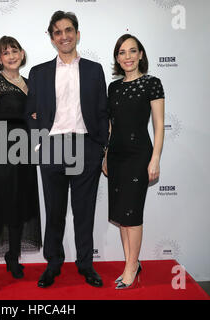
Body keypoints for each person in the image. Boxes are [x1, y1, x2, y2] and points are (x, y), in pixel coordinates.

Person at [25, 11, 109, 288]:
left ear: (78, 34)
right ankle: (53, 264)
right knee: (55, 211)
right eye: (58, 32)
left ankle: (86, 265)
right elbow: (31, 114)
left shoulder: (94, 70)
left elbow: (101, 111)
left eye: (69, 30)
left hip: (86, 146)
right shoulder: (38, 73)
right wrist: (39, 144)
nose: (64, 36)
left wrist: (100, 148)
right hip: (52, 147)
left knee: (84, 212)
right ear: (52, 38)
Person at [0, 36, 42, 290]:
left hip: (26, 155)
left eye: (14, 51)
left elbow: (36, 119)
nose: (11, 56)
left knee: (20, 206)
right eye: (5, 53)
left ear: (22, 54)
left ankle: (13, 258)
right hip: (2, 153)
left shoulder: (30, 84)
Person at [102, 34, 165, 289]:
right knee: (121, 214)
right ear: (117, 58)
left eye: (132, 51)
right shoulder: (113, 87)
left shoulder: (153, 83)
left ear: (141, 54)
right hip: (115, 155)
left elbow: (159, 125)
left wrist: (155, 159)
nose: (127, 57)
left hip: (139, 155)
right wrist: (105, 155)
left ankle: (131, 266)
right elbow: (110, 126)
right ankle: (132, 262)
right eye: (122, 52)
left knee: (132, 214)